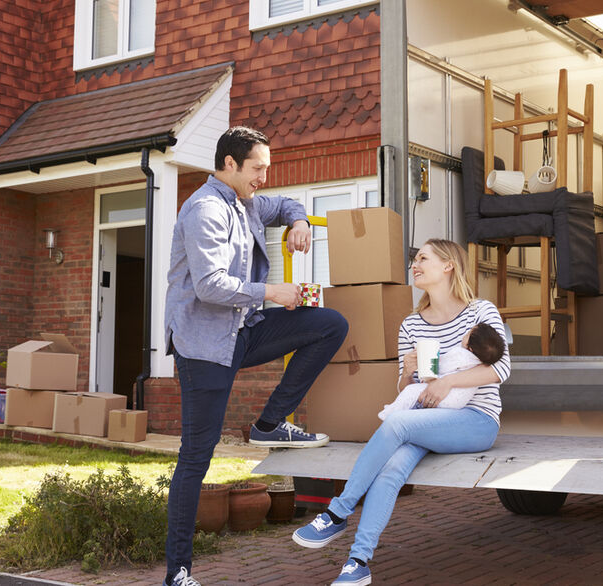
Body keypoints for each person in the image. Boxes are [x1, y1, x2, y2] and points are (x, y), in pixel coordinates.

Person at [163, 126, 348, 586]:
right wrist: (271, 291)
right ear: (229, 164)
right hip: (205, 348)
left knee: (330, 325)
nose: (265, 176)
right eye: (258, 168)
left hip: (243, 333)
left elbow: (285, 205)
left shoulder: (244, 202)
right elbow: (209, 286)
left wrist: (300, 221)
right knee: (196, 458)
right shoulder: (205, 209)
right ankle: (178, 573)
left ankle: (269, 423)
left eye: (267, 167)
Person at [292, 238, 510, 586]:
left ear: (448, 265)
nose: (415, 265)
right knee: (392, 468)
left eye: (423, 258)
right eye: (414, 260)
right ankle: (358, 562)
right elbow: (402, 388)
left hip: (476, 420)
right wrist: (408, 372)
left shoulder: (480, 312)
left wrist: (447, 383)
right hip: (423, 418)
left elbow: (500, 370)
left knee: (398, 422)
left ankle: (338, 511)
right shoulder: (411, 325)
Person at [377, 322, 505, 419]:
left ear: (469, 347)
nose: (464, 334)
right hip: (459, 401)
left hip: (449, 396)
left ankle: (390, 413)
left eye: (468, 334)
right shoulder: (480, 361)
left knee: (411, 392)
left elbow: (444, 365)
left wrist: (429, 363)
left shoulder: (461, 354)